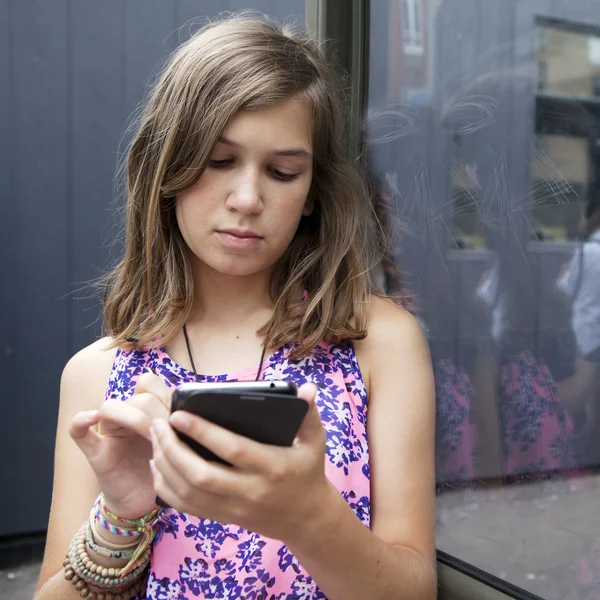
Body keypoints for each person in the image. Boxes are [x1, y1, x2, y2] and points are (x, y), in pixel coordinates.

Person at [34, 15, 436, 600]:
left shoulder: (378, 341)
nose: (247, 199)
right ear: (166, 168)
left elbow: (413, 590)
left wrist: (308, 517)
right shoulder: (98, 374)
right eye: (219, 161)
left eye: (282, 171)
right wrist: (121, 515)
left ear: (311, 195)